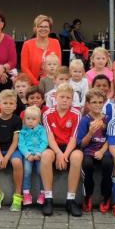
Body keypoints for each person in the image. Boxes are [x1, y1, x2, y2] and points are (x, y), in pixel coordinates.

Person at [41, 83, 83, 216]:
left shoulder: (76, 114)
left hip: (69, 147)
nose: (65, 100)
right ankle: (48, 199)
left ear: (72, 100)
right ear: (55, 97)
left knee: (77, 157)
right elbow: (50, 137)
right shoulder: (47, 113)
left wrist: (65, 155)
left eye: (68, 98)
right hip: (54, 146)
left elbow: (73, 138)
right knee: (46, 156)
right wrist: (58, 153)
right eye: (62, 97)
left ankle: (70, 200)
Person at [0, 90, 24, 211]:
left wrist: (6, 157)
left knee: (17, 162)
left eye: (11, 103)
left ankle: (18, 195)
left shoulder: (17, 120)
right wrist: (0, 156)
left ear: (15, 106)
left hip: (12, 150)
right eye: (5, 103)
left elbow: (15, 141)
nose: (8, 106)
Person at [76, 89, 113, 213]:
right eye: (94, 102)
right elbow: (81, 144)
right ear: (88, 104)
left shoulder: (108, 119)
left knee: (108, 164)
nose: (97, 105)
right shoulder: (85, 120)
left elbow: (110, 139)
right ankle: (87, 196)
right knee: (87, 165)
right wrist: (90, 133)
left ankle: (106, 196)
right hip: (89, 151)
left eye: (100, 102)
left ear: (104, 103)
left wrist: (102, 151)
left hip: (104, 150)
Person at [18, 106, 48, 208]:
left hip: (39, 155)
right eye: (28, 118)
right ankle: (26, 194)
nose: (30, 121)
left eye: (33, 119)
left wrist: (39, 153)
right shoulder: (23, 131)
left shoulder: (41, 130)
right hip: (28, 155)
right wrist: (27, 155)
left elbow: (44, 142)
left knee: (41, 171)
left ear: (38, 120)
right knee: (27, 171)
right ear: (24, 119)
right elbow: (21, 144)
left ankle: (43, 193)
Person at [20, 15, 62, 85]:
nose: (43, 29)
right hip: (32, 84)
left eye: (46, 27)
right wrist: (37, 84)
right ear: (35, 28)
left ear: (50, 29)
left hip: (52, 83)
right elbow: (24, 68)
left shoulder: (56, 42)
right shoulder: (27, 44)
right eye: (40, 26)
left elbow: (58, 65)